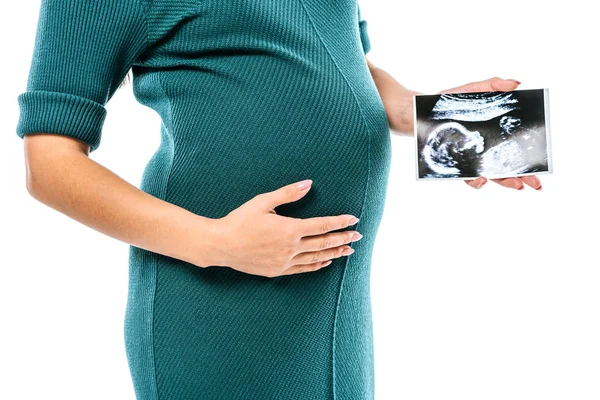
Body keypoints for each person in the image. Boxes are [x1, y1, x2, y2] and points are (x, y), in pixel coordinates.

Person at [15, 0, 543, 398]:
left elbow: (344, 64)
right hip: (214, 302)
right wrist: (215, 243)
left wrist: (437, 119)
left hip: (335, 298)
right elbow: (50, 164)